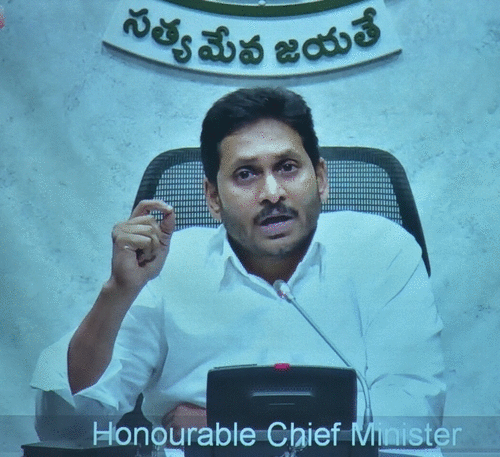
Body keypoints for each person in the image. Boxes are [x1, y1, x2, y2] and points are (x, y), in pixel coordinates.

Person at [32, 87, 445, 442]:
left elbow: (412, 418)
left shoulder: (382, 251)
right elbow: (66, 428)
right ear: (213, 198)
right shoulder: (169, 267)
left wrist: (229, 426)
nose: (272, 193)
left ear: (320, 179)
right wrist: (117, 293)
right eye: (246, 174)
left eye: (287, 168)